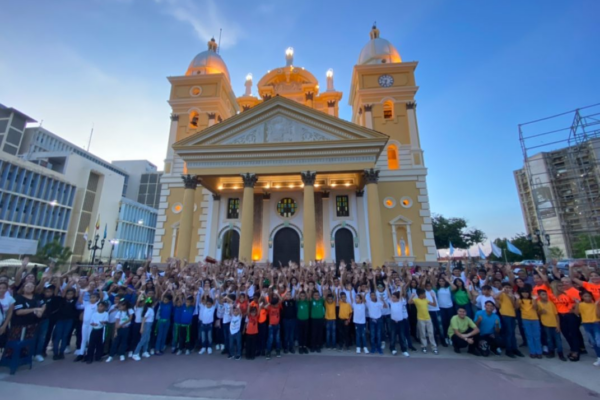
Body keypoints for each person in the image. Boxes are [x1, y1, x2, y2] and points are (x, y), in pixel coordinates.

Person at [495, 282, 523, 358]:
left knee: (512, 333)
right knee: (509, 332)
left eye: (509, 287)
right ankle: (508, 350)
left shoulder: (513, 295)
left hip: (512, 315)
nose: (508, 289)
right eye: (506, 287)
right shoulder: (502, 294)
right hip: (505, 314)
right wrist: (502, 291)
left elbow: (515, 306)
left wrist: (515, 298)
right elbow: (495, 297)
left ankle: (514, 348)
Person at [536, 289, 565, 361]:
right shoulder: (538, 303)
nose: (545, 296)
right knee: (549, 339)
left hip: (554, 324)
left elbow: (556, 315)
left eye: (546, 294)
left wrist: (558, 325)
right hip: (546, 324)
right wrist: (540, 312)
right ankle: (551, 352)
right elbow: (537, 313)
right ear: (539, 296)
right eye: (543, 294)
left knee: (558, 340)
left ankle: (560, 353)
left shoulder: (551, 303)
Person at [409, 288, 438, 354]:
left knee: (431, 333)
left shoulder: (426, 300)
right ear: (420, 295)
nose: (425, 295)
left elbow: (434, 304)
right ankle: (424, 346)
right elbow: (409, 302)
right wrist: (412, 296)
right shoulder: (416, 300)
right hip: (420, 319)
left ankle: (434, 347)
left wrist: (433, 297)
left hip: (428, 318)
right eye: (423, 294)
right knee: (423, 334)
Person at [574, 291, 600, 366]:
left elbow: (598, 315)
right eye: (585, 296)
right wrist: (577, 303)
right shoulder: (581, 305)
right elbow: (576, 313)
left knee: (598, 341)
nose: (588, 298)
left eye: (589, 296)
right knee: (593, 341)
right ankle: (599, 357)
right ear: (582, 297)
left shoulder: (594, 304)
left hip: (596, 323)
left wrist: (597, 305)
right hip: (586, 324)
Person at [52, 287, 78, 360]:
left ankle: (61, 352)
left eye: (71, 294)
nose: (69, 295)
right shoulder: (61, 300)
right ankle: (55, 353)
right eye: (68, 294)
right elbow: (61, 293)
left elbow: (77, 294)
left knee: (65, 336)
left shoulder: (74, 300)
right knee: (58, 336)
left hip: (69, 320)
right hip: (60, 320)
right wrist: (68, 285)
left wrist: (77, 286)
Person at [517, 287, 542, 358]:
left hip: (535, 319)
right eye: (523, 292)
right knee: (529, 336)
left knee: (537, 336)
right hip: (525, 319)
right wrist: (518, 298)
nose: (525, 294)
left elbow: (535, 307)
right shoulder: (520, 300)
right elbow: (516, 307)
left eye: (527, 292)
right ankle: (532, 352)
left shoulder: (533, 299)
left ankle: (539, 351)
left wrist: (534, 299)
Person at [265, 293, 282, 359]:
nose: (276, 305)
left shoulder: (278, 306)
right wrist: (270, 303)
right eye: (275, 304)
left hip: (277, 325)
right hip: (271, 325)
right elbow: (265, 307)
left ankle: (278, 351)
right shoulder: (270, 307)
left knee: (277, 339)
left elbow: (281, 300)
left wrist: (277, 294)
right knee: (270, 339)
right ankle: (268, 352)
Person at [0, 281, 15, 350]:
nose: (2, 290)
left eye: (4, 288)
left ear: (6, 289)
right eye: (0, 288)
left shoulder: (10, 299)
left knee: (1, 345)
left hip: (3, 323)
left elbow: (10, 313)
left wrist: (4, 326)